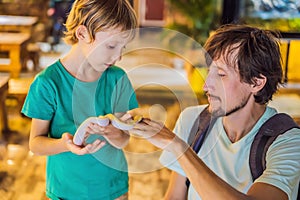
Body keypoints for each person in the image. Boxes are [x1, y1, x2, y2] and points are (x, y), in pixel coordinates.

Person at [131, 24, 300, 200]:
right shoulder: (193, 120)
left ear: (256, 83)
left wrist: (180, 148)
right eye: (208, 71)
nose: (206, 86)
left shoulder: (287, 142)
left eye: (220, 74)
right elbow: (174, 197)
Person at [21, 0, 138, 199]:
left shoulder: (117, 78)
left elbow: (123, 140)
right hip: (65, 191)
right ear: (82, 33)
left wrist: (113, 133)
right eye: (111, 46)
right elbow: (36, 144)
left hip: (113, 189)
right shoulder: (48, 83)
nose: (118, 57)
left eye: (122, 48)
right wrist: (64, 144)